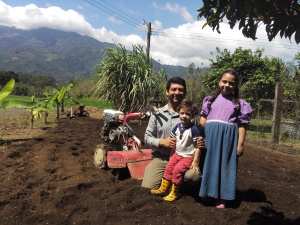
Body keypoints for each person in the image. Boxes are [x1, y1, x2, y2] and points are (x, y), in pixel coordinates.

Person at [198, 69, 253, 208]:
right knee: (208, 162)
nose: (227, 85)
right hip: (209, 137)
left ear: (235, 86)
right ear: (219, 82)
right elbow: (204, 118)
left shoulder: (240, 104)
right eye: (224, 81)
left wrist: (240, 144)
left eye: (231, 83)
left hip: (228, 139)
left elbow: (242, 125)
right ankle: (207, 192)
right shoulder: (210, 100)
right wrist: (198, 133)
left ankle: (223, 197)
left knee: (225, 165)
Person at [141, 77, 204, 190]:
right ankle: (170, 179)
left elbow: (196, 138)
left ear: (184, 92)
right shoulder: (157, 114)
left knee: (193, 177)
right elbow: (147, 137)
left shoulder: (192, 116)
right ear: (167, 92)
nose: (177, 93)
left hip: (185, 159)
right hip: (162, 158)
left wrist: (200, 141)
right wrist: (161, 142)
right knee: (148, 187)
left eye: (180, 90)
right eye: (173, 89)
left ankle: (177, 184)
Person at [150, 98, 202, 201]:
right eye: (182, 113)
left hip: (187, 157)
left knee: (177, 170)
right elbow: (173, 142)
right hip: (177, 155)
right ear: (179, 113)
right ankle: (164, 188)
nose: (184, 116)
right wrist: (171, 155)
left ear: (193, 116)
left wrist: (195, 161)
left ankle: (175, 192)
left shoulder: (194, 129)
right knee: (169, 168)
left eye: (187, 114)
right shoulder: (177, 127)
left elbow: (197, 146)